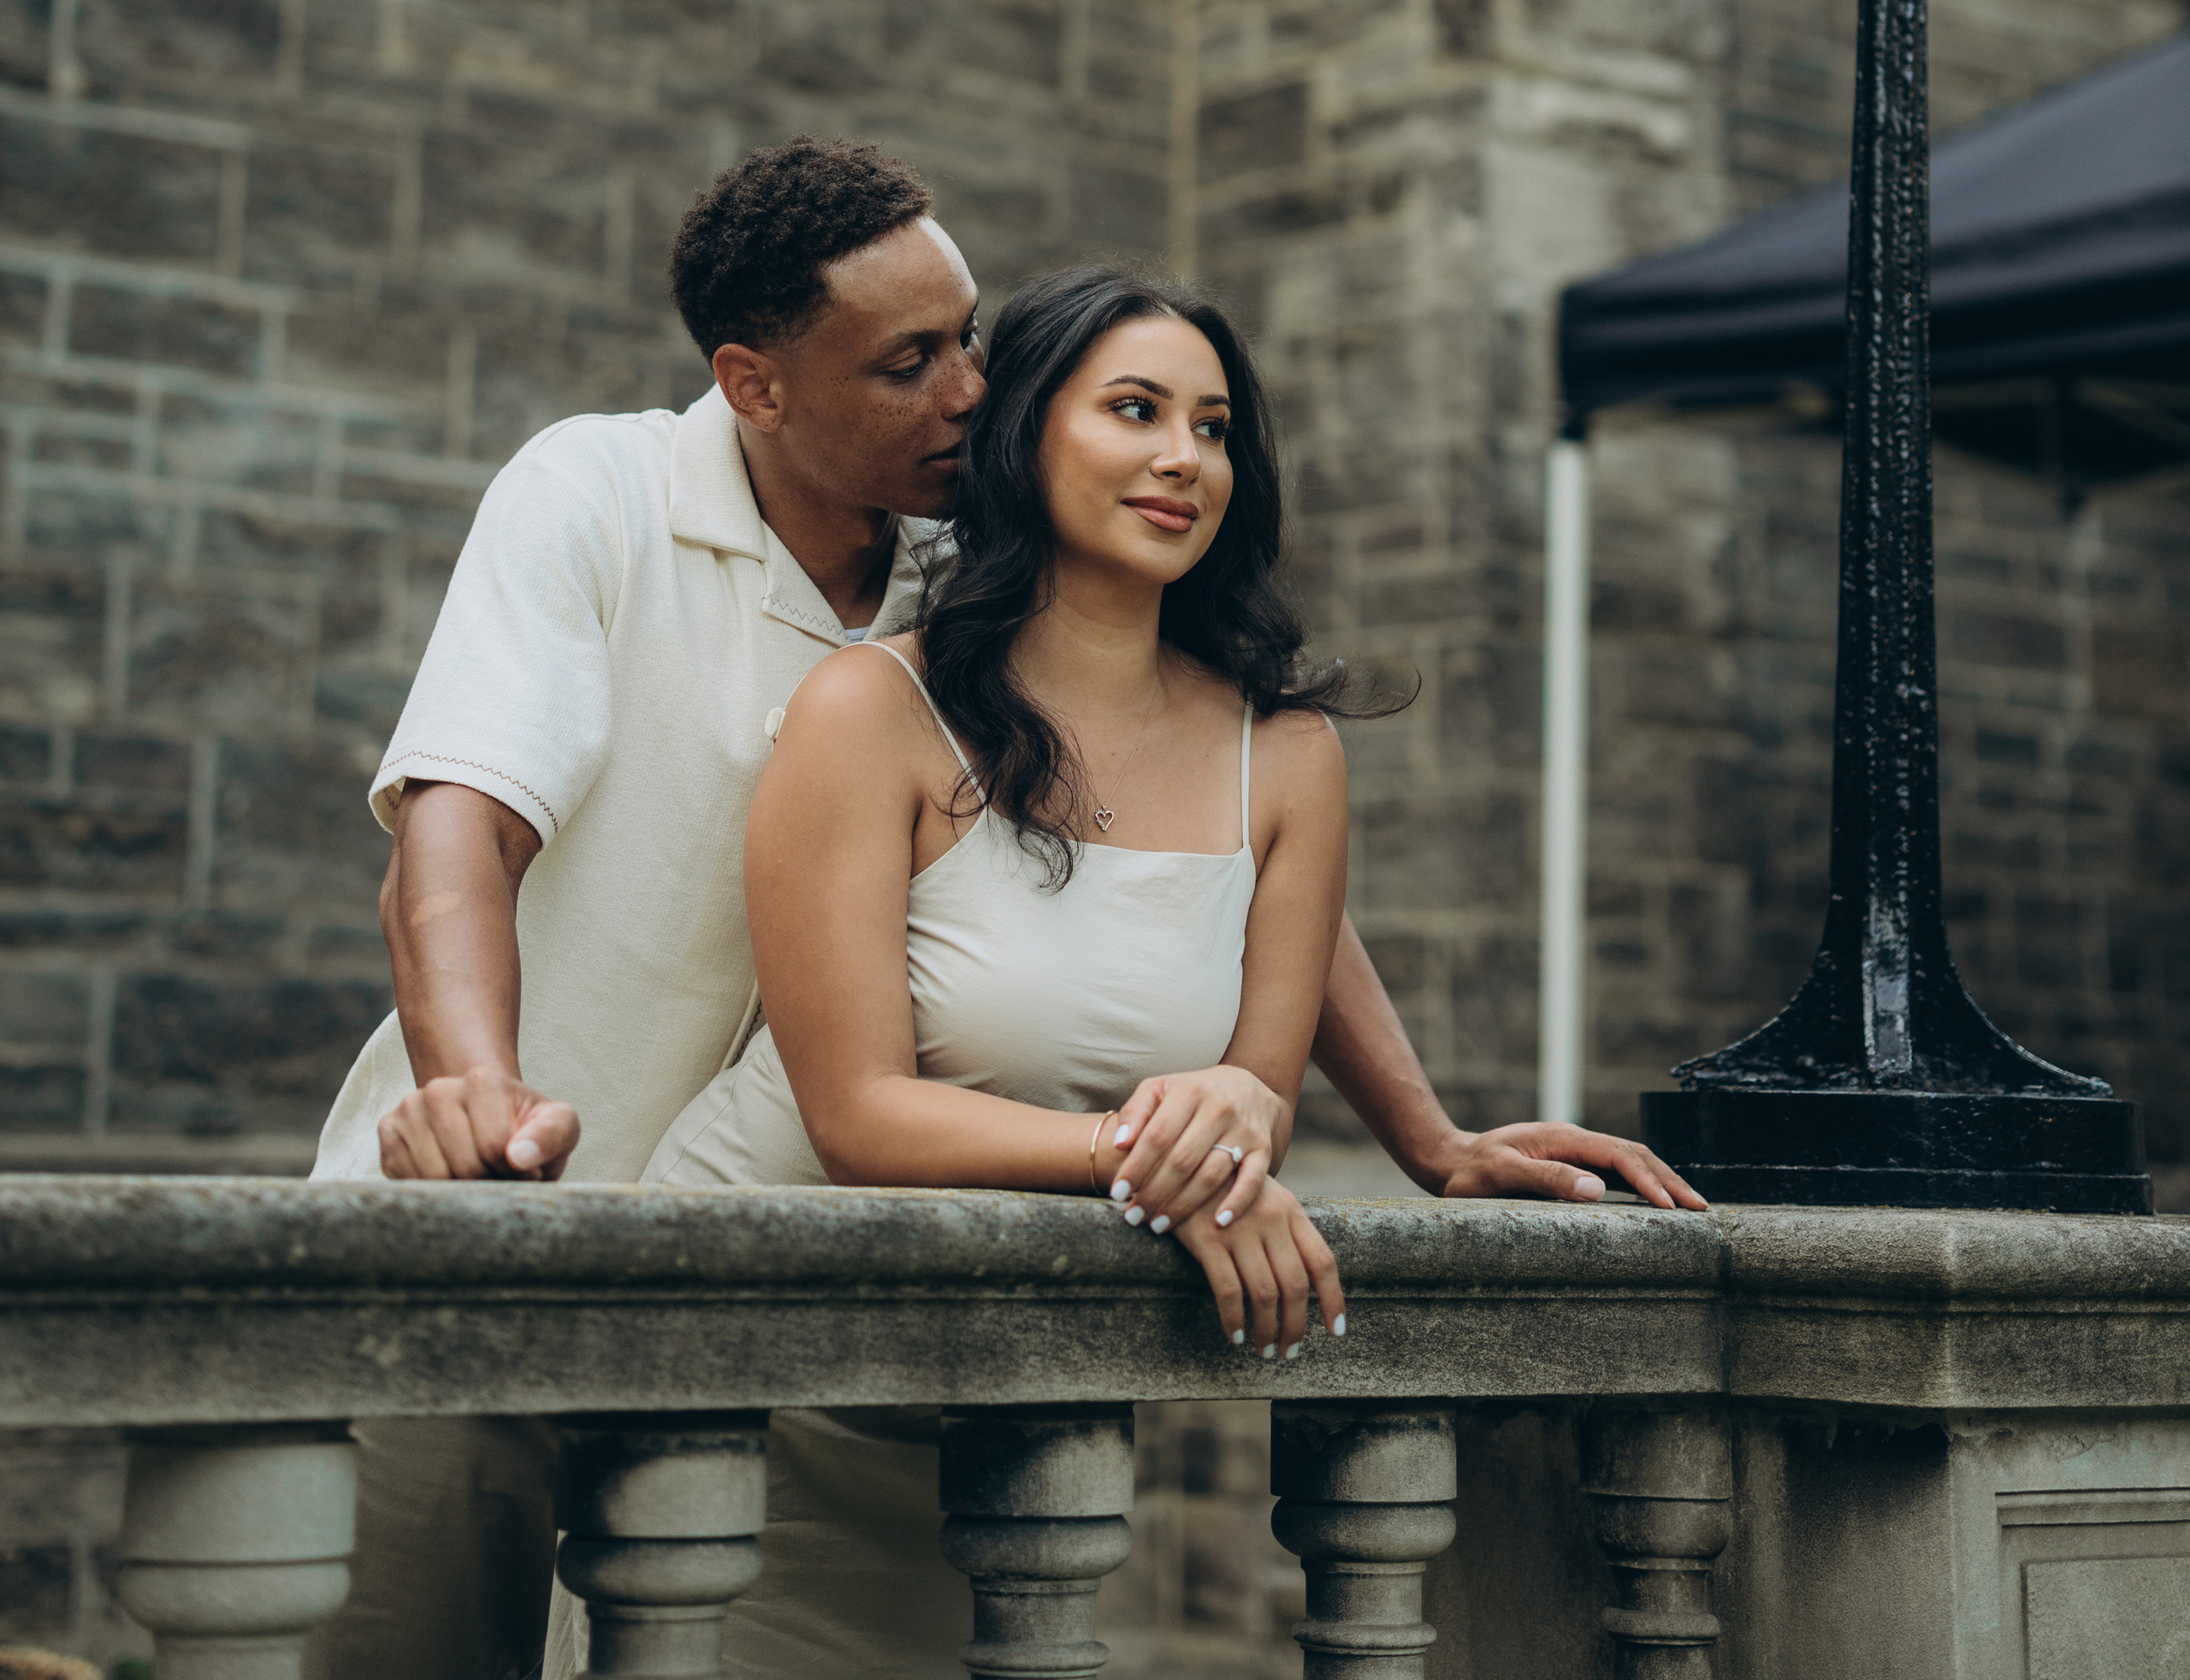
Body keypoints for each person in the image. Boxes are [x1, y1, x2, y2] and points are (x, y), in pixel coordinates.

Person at [309, 138, 1700, 1680]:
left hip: (778, 1255)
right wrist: (472, 1089)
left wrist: (1423, 1133)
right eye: (911, 361)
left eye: (968, 337)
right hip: (503, 1212)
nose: (969, 390)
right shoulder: (598, 494)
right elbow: (457, 826)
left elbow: (1202, 855)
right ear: (755, 384)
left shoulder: (961, 573)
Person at [544, 260, 1375, 1680]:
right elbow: (858, 1115)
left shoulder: (1289, 760)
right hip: (753, 1364)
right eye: (1134, 409)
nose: (1185, 456)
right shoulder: (875, 707)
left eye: (1216, 425)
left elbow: (1257, 1085)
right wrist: (1154, 1156)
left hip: (1007, 1395)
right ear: (1023, 433)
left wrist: (1245, 1124)